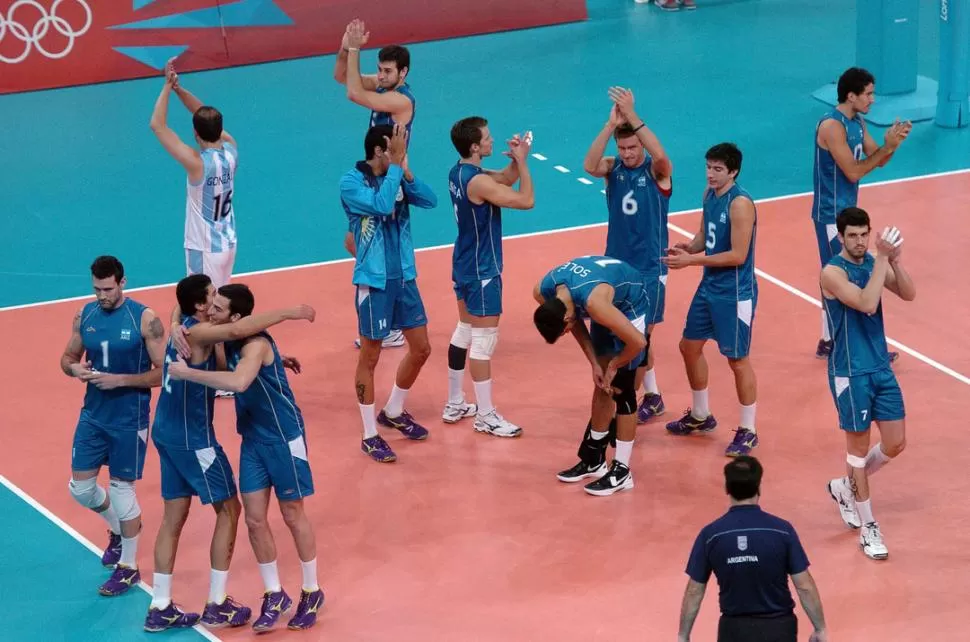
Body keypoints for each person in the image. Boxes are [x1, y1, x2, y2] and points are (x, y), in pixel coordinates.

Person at [144, 274, 315, 632]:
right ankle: (225, 602)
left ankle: (310, 590)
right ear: (200, 306)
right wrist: (289, 312)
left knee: (287, 513)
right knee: (236, 511)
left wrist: (275, 358)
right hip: (197, 439)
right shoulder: (204, 331)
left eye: (220, 305)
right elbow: (232, 342)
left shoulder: (216, 334)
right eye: (210, 300)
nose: (214, 306)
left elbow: (237, 373)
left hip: (277, 437)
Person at [60, 256, 166, 597]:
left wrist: (121, 380)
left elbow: (165, 372)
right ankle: (119, 531)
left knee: (122, 490)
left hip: (128, 418)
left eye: (107, 289)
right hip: (92, 414)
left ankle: (129, 567)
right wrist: (74, 370)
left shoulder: (145, 319)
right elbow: (67, 359)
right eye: (96, 289)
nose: (102, 295)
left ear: (123, 282)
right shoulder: (85, 314)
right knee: (81, 489)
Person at [820, 207, 913, 560]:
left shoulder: (872, 262)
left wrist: (895, 262)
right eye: (853, 236)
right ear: (841, 237)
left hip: (879, 368)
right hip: (849, 372)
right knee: (857, 451)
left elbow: (909, 293)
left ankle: (845, 487)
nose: (860, 242)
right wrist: (880, 261)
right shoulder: (831, 272)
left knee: (895, 443)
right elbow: (866, 303)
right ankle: (869, 526)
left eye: (864, 235)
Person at [340, 123, 437, 463]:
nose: (401, 152)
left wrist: (405, 172)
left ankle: (393, 410)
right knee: (370, 356)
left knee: (422, 348)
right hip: (374, 283)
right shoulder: (351, 183)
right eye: (395, 147)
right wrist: (397, 168)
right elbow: (382, 206)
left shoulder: (396, 174)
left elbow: (430, 199)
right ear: (380, 151)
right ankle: (369, 435)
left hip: (404, 279)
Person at [662, 143, 759, 457]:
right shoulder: (709, 196)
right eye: (708, 167)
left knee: (737, 360)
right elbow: (707, 237)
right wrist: (689, 248)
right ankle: (701, 415)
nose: (711, 174)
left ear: (733, 171)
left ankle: (748, 430)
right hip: (709, 289)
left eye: (718, 169)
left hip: (734, 293)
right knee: (688, 347)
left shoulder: (740, 204)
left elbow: (737, 254)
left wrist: (691, 263)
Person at [583, 85, 671, 423]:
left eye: (633, 147)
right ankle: (650, 394)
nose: (628, 154)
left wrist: (633, 117)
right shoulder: (614, 169)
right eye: (622, 148)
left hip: (649, 268)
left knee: (641, 337)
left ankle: (635, 401)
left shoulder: (656, 172)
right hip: (616, 268)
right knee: (624, 334)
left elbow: (661, 155)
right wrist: (610, 126)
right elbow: (589, 165)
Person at [811, 66, 911, 359]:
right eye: (868, 94)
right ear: (851, 96)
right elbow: (854, 172)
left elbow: (878, 160)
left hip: (847, 213)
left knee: (843, 275)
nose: (873, 99)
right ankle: (837, 343)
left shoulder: (859, 123)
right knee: (841, 276)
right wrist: (885, 149)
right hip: (831, 215)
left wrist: (892, 146)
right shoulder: (831, 126)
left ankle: (829, 340)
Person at [444, 116, 533, 437]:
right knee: (483, 344)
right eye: (487, 138)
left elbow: (504, 180)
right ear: (474, 146)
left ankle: (455, 402)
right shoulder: (478, 182)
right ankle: (486, 415)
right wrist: (524, 166)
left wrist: (520, 156)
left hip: (463, 264)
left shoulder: (461, 171)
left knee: (464, 330)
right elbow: (526, 200)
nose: (492, 140)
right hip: (483, 271)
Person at [677, 456, 828, 642]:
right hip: (780, 628)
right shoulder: (782, 530)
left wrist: (683, 635)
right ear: (759, 487)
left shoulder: (711, 535)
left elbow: (694, 591)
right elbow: (804, 586)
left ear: (727, 488)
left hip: (733, 630)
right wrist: (819, 628)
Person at [532, 255, 649, 497]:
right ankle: (594, 458)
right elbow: (574, 324)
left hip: (630, 302)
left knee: (620, 386)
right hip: (598, 296)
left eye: (562, 331)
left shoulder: (596, 304)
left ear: (565, 318)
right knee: (602, 383)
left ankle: (623, 471)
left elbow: (638, 343)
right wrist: (595, 363)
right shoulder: (543, 291)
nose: (567, 332)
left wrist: (615, 365)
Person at [334, 18, 414, 350]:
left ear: (403, 74)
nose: (380, 76)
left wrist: (355, 49)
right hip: (374, 174)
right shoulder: (383, 88)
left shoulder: (401, 101)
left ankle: (392, 324)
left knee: (376, 248)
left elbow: (353, 92)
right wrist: (344, 45)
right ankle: (391, 318)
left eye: (387, 72)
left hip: (390, 179)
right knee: (356, 244)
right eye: (379, 70)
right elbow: (342, 77)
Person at [150, 58, 239, 291]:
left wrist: (168, 87)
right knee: (220, 303)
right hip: (228, 243)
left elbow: (157, 125)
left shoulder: (197, 163)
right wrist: (179, 89)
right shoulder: (232, 152)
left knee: (204, 311)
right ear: (220, 130)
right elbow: (202, 113)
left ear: (195, 134)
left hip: (204, 248)